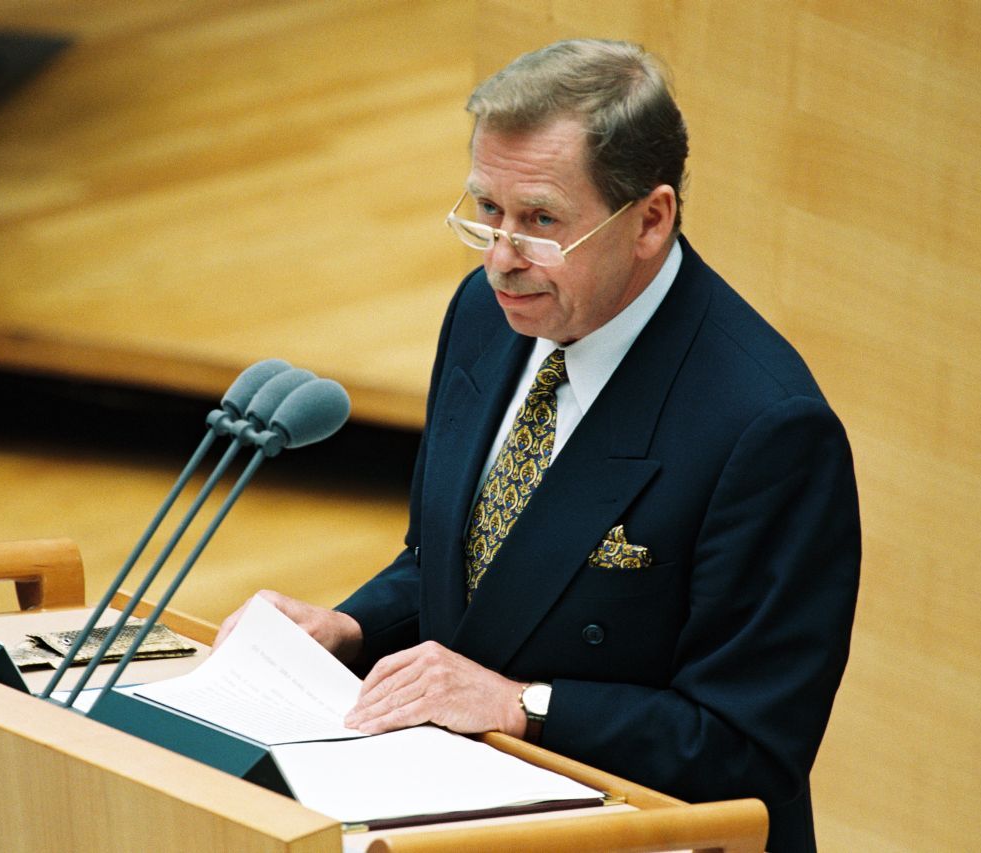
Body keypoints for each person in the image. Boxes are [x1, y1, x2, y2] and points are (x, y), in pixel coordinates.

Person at [217, 38, 859, 852]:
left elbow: (745, 743)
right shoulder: (488, 316)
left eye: (540, 221)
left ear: (650, 220)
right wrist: (346, 625)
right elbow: (455, 566)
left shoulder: (767, 429)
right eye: (487, 210)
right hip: (455, 803)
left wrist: (524, 703)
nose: (499, 260)